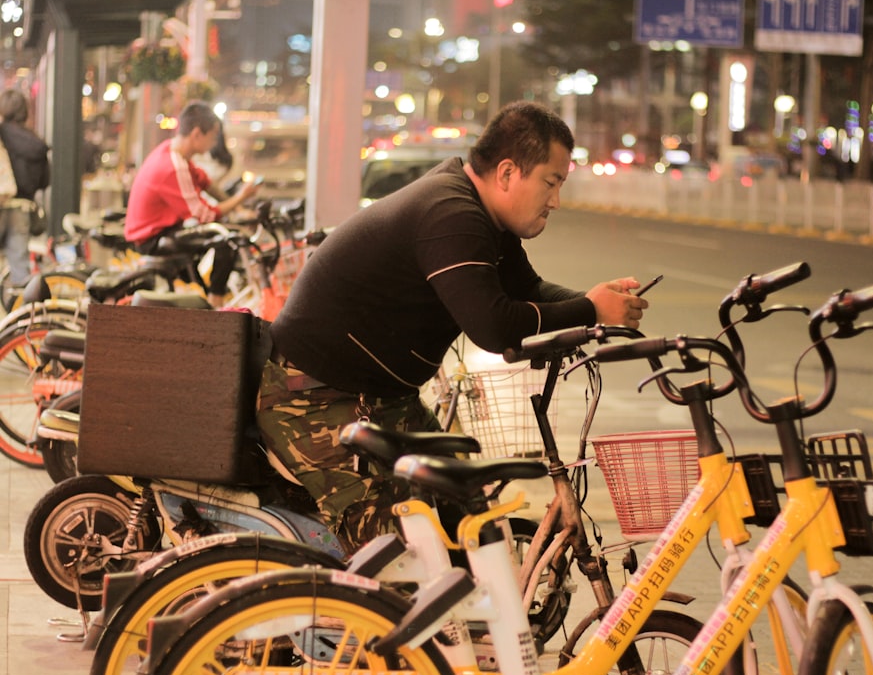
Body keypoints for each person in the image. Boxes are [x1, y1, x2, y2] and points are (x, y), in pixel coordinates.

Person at [257, 100, 648, 552]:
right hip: (315, 399)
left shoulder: (481, 215)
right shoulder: (451, 213)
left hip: (381, 398)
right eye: (550, 182)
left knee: (467, 518)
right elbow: (493, 325)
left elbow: (529, 289)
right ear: (507, 173)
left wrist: (597, 303)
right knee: (400, 556)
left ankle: (476, 623)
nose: (556, 201)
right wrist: (590, 310)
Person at [124, 101, 258, 307]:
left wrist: (239, 209)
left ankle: (207, 300)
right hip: (152, 238)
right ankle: (215, 305)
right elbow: (208, 214)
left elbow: (206, 183)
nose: (214, 143)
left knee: (217, 236)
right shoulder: (173, 166)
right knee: (228, 240)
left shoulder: (171, 151)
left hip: (159, 231)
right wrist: (241, 197)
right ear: (197, 134)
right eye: (212, 137)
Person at [0, 89, 50, 289]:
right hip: (23, 208)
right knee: (20, 268)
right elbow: (45, 181)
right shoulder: (36, 142)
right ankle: (20, 311)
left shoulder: (2, 134)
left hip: (3, 201)